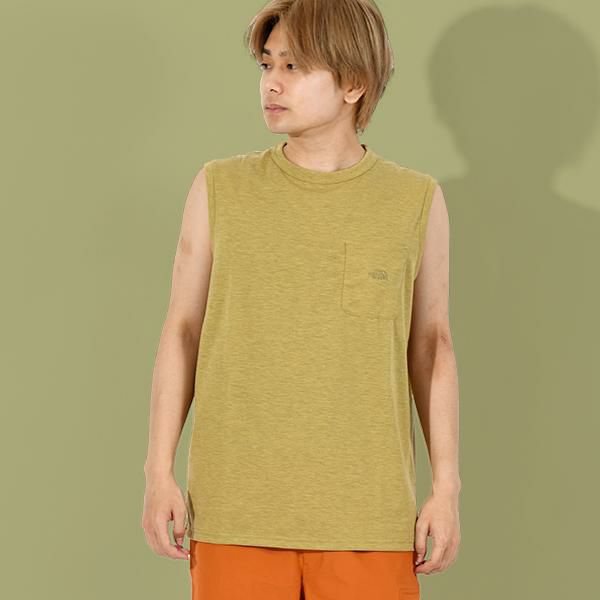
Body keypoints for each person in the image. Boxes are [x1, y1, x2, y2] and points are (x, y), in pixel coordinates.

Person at [142, 1, 461, 598]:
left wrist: (446, 489)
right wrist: (158, 471)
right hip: (235, 513)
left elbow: (431, 348)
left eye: (294, 67)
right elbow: (182, 331)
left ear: (354, 83)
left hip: (368, 517)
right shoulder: (219, 188)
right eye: (267, 65)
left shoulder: (414, 201)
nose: (271, 83)